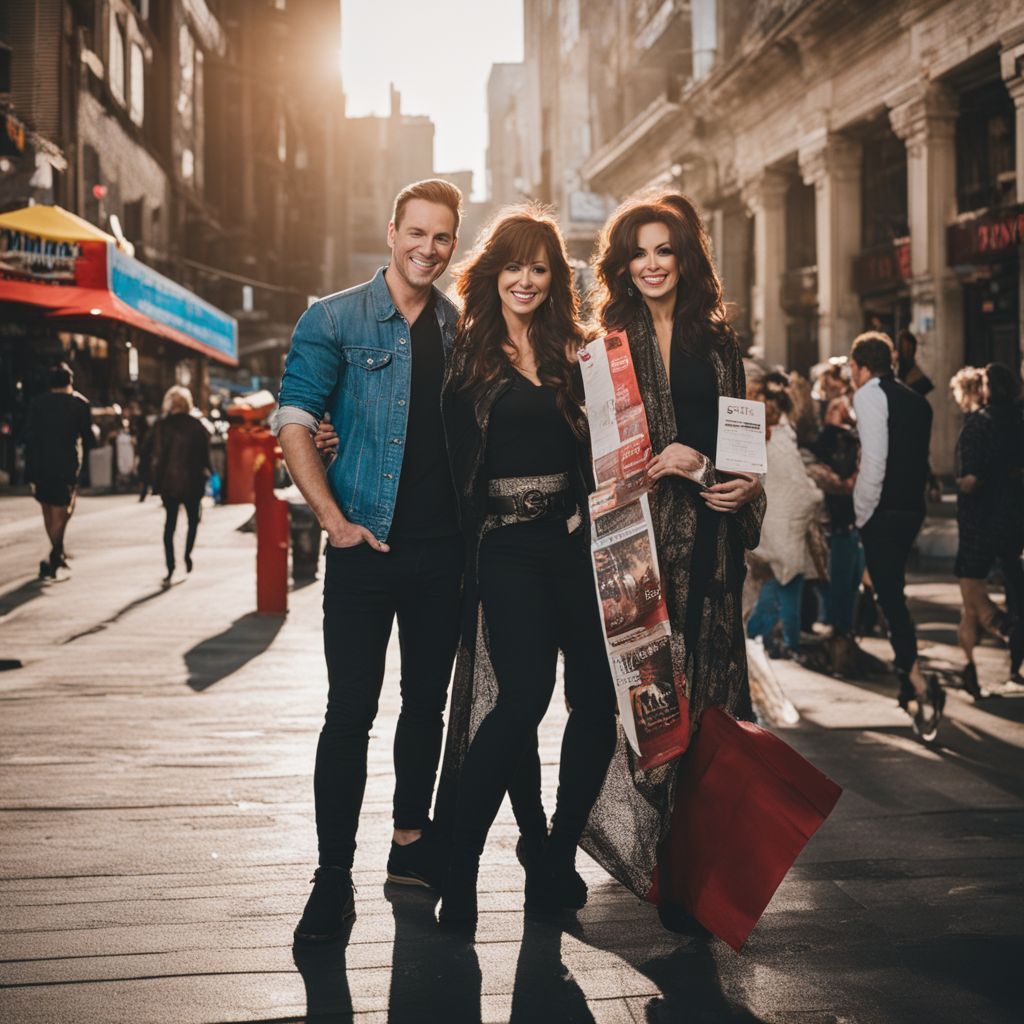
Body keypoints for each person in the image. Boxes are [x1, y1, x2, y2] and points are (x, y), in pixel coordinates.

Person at [273, 179, 465, 943]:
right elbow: (292, 418)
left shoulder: (464, 328)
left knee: (426, 707)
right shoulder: (333, 318)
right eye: (416, 233)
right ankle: (331, 877)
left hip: (442, 553)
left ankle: (411, 846)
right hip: (364, 550)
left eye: (443, 237)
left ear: (454, 244)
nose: (428, 249)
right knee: (349, 712)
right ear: (391, 232)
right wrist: (334, 521)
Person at [579, 192, 765, 928]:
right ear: (623, 263)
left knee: (710, 700)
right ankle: (650, 852)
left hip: (713, 544)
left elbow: (743, 439)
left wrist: (738, 479)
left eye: (665, 250)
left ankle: (690, 868)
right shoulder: (603, 346)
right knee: (653, 702)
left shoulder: (718, 343)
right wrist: (663, 463)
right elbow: (598, 466)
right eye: (640, 252)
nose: (653, 264)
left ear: (685, 259)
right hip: (639, 545)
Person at [435, 206, 617, 933]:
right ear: (494, 273)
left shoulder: (579, 353)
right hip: (505, 547)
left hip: (574, 546)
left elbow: (612, 447)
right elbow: (441, 457)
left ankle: (553, 855)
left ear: (555, 278)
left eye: (541, 268)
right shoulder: (465, 354)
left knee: (598, 701)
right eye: (514, 266)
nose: (527, 280)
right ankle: (461, 862)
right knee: (523, 699)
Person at [850, 331, 942, 738]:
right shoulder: (917, 401)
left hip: (882, 512)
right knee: (891, 590)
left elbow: (875, 460)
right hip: (911, 510)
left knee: (890, 598)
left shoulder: (869, 395)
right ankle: (908, 686)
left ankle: (920, 684)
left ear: (862, 366)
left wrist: (862, 514)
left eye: (853, 368)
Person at [951, 364, 1024, 695]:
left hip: (979, 521)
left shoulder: (980, 424)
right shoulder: (1019, 420)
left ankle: (1006, 633)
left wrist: (960, 483)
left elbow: (972, 479)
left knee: (973, 600)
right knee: (1009, 590)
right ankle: (972, 670)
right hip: (1014, 518)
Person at [748, 379, 822, 658]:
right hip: (783, 526)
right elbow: (796, 486)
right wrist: (814, 496)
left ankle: (760, 638)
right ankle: (779, 640)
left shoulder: (773, 437)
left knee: (778, 583)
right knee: (787, 583)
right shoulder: (778, 440)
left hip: (774, 526)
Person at [25, 362, 94, 579]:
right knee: (64, 509)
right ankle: (55, 555)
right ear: (70, 382)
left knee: (47, 507)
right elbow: (89, 438)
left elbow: (30, 436)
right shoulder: (80, 404)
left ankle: (57, 552)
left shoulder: (37, 403)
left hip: (40, 463)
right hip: (67, 464)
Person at [150, 386, 212, 583]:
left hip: (169, 482)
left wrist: (155, 482)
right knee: (193, 521)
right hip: (193, 481)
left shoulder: (161, 425)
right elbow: (205, 456)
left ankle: (170, 566)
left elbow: (155, 455)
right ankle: (187, 555)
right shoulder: (198, 425)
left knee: (170, 525)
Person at [896, 328, 934, 397]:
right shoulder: (900, 364)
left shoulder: (911, 366)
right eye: (904, 346)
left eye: (909, 346)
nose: (907, 349)